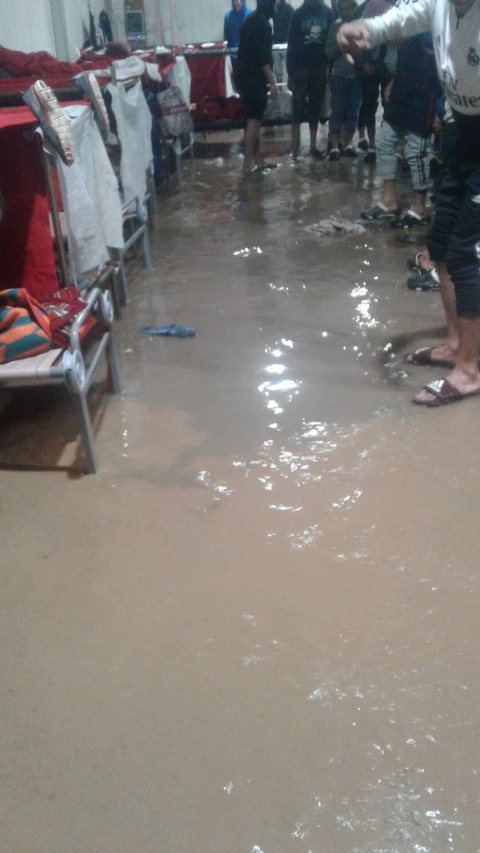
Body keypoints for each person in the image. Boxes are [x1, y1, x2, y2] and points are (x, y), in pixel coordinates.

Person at [338, 0, 480, 407]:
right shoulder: (439, 4)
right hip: (461, 131)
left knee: (466, 253)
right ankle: (455, 345)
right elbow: (399, 20)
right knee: (441, 243)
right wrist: (362, 27)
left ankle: (469, 371)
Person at [360, 32, 441, 226]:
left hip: (424, 96)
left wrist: (441, 106)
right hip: (402, 91)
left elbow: (443, 65)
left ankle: (420, 209)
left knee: (416, 152)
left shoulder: (432, 23)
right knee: (384, 142)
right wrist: (394, 81)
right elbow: (406, 56)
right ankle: (389, 202)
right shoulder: (408, 19)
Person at [287, 0, 334, 159]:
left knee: (315, 106)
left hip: (318, 67)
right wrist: (290, 72)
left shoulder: (327, 13)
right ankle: (294, 146)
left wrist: (329, 68)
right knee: (297, 106)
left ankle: (311, 146)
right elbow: (291, 44)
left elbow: (331, 42)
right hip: (301, 68)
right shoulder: (298, 14)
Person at [236, 0, 278, 173]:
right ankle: (247, 163)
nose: (275, 8)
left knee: (255, 118)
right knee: (254, 120)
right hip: (254, 78)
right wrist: (272, 82)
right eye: (274, 4)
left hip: (244, 76)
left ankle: (258, 160)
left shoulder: (250, 20)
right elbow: (263, 57)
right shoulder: (263, 24)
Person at [325, 0, 363, 160]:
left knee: (353, 112)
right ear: (338, 10)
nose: (346, 12)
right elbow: (328, 53)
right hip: (339, 75)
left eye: (348, 9)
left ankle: (348, 143)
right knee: (337, 111)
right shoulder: (334, 27)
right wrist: (341, 46)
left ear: (354, 8)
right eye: (342, 9)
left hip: (357, 76)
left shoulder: (361, 25)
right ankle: (334, 145)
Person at [225, 0, 253, 87]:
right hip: (234, 55)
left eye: (240, 0)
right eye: (235, 1)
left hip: (248, 55)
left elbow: (254, 35)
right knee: (237, 81)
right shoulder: (228, 17)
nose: (238, 2)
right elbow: (226, 36)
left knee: (249, 81)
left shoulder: (250, 15)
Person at [272, 0, 294, 81]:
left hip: (280, 43)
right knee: (290, 70)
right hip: (284, 43)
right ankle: (287, 87)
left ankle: (280, 87)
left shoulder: (274, 9)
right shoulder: (290, 9)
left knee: (279, 72)